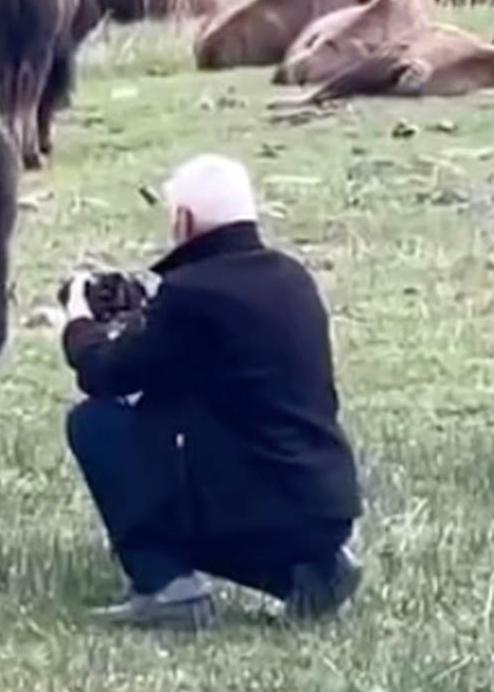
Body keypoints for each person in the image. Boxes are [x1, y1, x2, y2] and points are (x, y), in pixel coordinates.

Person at [60, 153, 362, 629]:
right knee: (216, 451)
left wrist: (79, 321)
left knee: (96, 421)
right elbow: (218, 379)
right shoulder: (292, 277)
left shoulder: (191, 295)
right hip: (326, 507)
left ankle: (166, 587)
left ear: (184, 220)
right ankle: (315, 571)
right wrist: (145, 320)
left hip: (257, 512)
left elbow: (105, 375)